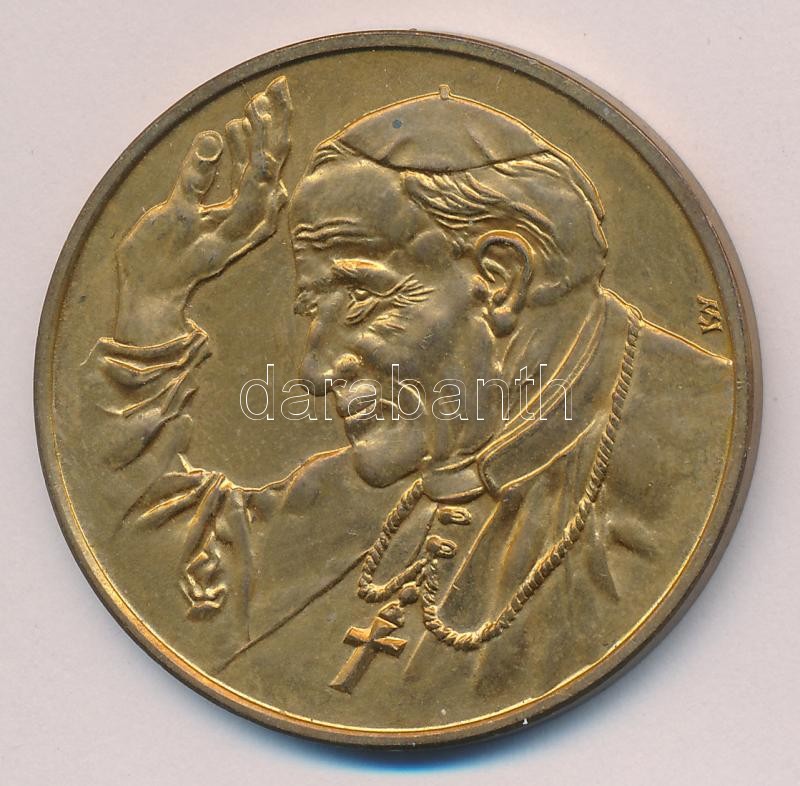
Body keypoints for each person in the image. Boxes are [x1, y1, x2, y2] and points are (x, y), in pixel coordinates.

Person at [82, 77, 732, 726]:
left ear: (500, 279)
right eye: (312, 306)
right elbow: (164, 561)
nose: (316, 371)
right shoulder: (375, 479)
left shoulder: (694, 451)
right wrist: (150, 304)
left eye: (360, 295)